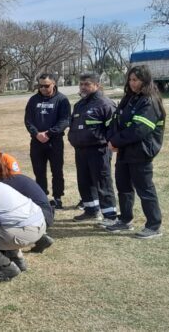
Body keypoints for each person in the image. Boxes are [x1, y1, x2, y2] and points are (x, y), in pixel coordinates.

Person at [105, 65, 166, 239]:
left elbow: (139, 129)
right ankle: (125, 220)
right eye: (130, 80)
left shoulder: (150, 101)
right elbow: (115, 120)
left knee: (145, 189)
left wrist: (116, 141)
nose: (132, 83)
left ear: (145, 80)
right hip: (124, 151)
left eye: (136, 80)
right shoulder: (129, 98)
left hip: (141, 152)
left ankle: (153, 226)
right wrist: (112, 139)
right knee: (123, 187)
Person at [68, 72, 118, 225]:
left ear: (97, 85)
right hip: (81, 150)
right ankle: (91, 210)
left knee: (102, 182)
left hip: (99, 150)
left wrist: (112, 144)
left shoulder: (105, 104)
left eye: (87, 84)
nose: (83, 87)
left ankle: (110, 216)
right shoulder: (79, 104)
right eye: (81, 84)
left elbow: (113, 128)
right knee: (84, 181)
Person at [25, 73, 71, 208]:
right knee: (39, 171)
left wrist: (49, 133)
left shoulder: (61, 100)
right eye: (40, 86)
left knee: (57, 171)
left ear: (54, 84)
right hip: (37, 142)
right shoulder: (33, 100)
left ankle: (57, 197)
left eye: (46, 86)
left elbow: (65, 120)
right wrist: (36, 133)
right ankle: (42, 197)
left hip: (54, 141)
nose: (43, 89)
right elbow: (28, 120)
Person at [0, 163, 55, 253]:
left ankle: (11, 251)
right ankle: (40, 238)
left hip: (41, 217)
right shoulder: (16, 179)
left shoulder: (5, 185)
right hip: (46, 215)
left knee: (2, 218)